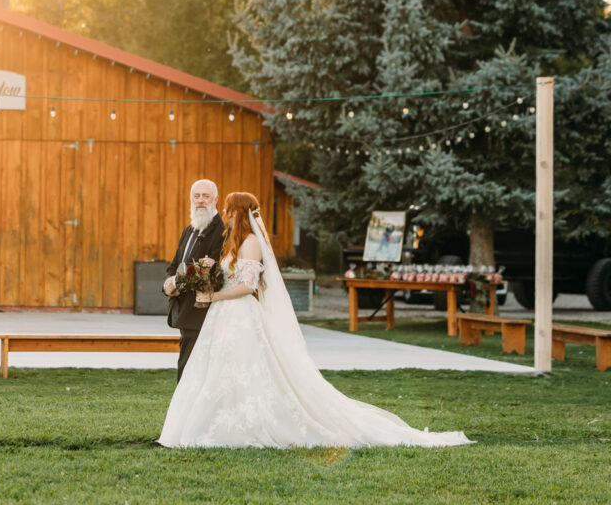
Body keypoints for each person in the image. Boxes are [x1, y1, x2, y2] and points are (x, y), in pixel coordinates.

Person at [158, 192, 471, 449]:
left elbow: (248, 287)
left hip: (240, 315)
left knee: (246, 372)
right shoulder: (234, 243)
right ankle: (217, 423)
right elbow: (230, 278)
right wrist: (208, 282)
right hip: (225, 318)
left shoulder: (251, 243)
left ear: (238, 213)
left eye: (228, 210)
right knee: (220, 373)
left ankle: (248, 426)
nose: (225, 215)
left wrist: (214, 296)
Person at [163, 179, 226, 382]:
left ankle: (187, 411)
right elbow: (174, 264)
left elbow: (217, 272)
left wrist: (179, 284)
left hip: (202, 311)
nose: (200, 201)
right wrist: (167, 285)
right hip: (184, 310)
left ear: (215, 199)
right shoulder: (189, 229)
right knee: (186, 366)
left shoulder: (221, 231)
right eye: (196, 196)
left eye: (205, 196)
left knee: (193, 370)